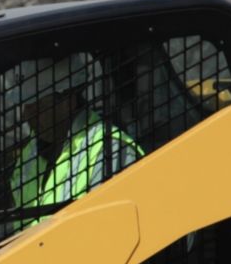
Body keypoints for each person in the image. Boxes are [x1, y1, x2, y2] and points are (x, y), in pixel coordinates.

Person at [8, 52, 141, 216]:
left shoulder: (110, 151)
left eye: (37, 106)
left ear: (67, 101)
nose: (26, 116)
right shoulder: (30, 153)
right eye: (26, 107)